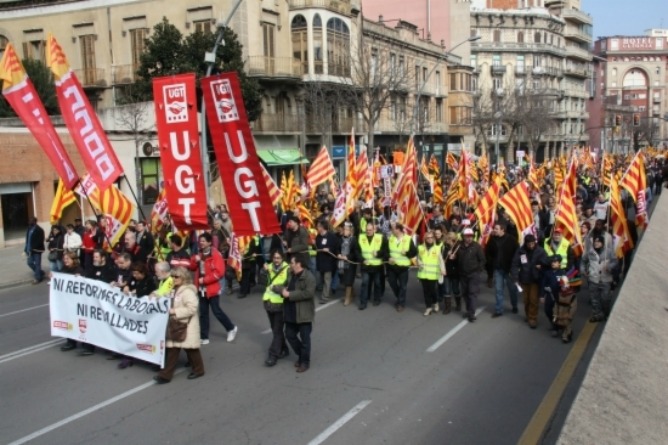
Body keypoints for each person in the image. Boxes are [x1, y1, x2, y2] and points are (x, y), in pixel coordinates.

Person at [154, 267, 205, 384]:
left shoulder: (187, 291)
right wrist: (154, 295)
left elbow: (192, 308)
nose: (173, 279)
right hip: (176, 324)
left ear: (184, 278)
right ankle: (165, 375)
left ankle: (198, 370)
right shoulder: (173, 289)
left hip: (187, 325)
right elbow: (162, 293)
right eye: (172, 276)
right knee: (173, 349)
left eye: (176, 277)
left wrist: (174, 312)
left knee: (191, 349)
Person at [190, 232, 238, 344]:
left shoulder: (216, 254)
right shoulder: (199, 254)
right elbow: (192, 268)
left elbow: (219, 272)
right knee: (203, 312)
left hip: (212, 288)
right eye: (200, 241)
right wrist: (194, 260)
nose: (201, 243)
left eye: (203, 241)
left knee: (216, 311)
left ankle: (231, 328)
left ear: (209, 242)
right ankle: (204, 337)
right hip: (201, 289)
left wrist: (205, 280)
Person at [280, 255, 317, 373]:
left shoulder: (309, 277)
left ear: (298, 264)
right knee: (289, 335)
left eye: (292, 263)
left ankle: (305, 362)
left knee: (305, 339)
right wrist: (281, 290)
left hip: (304, 314)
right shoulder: (291, 275)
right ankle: (302, 355)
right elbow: (285, 286)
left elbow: (308, 293)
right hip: (291, 312)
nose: (290, 265)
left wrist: (290, 295)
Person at [510, 234, 547, 329]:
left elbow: (546, 262)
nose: (531, 245)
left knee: (533, 300)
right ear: (526, 243)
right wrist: (515, 277)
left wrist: (541, 265)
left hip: (535, 279)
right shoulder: (520, 251)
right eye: (529, 244)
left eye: (532, 243)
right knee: (526, 300)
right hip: (524, 279)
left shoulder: (540, 251)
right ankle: (528, 315)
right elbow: (515, 264)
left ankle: (533, 318)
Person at [262, 250, 290, 367]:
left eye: (278, 258)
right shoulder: (268, 266)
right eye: (274, 258)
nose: (276, 260)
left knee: (278, 329)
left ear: (282, 258)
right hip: (268, 302)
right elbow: (264, 282)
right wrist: (264, 271)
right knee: (274, 328)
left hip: (280, 303)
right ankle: (284, 349)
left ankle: (273, 355)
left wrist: (278, 288)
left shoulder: (288, 268)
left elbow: (289, 285)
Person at [487, 222, 520, 317]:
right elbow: (488, 252)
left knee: (512, 290)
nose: (494, 230)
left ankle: (514, 306)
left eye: (496, 228)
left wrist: (515, 267)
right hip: (498, 269)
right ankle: (498, 310)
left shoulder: (512, 240)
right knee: (498, 290)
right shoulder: (492, 239)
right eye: (494, 228)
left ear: (502, 230)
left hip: (509, 270)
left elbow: (517, 253)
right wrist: (491, 262)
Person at [583, 235, 617, 323]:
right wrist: (584, 270)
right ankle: (596, 314)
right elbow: (583, 262)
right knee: (594, 300)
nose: (596, 243)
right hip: (593, 280)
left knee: (605, 299)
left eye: (598, 242)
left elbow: (615, 262)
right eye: (595, 241)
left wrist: (609, 267)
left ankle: (606, 314)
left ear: (602, 243)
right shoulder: (590, 252)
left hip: (605, 280)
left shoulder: (608, 252)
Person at [454, 228, 485, 322]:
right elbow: (456, 258)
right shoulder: (459, 246)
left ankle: (472, 313)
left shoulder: (476, 246)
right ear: (463, 237)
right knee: (465, 293)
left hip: (473, 274)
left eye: (471, 236)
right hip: (463, 274)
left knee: (472, 293)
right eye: (467, 236)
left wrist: (478, 270)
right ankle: (468, 310)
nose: (469, 238)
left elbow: (482, 260)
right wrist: (453, 257)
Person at [386, 223, 417, 312]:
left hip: (403, 267)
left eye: (393, 229)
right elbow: (386, 251)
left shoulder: (408, 239)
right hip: (392, 266)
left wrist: (406, 253)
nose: (391, 231)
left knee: (403, 286)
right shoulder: (390, 238)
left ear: (398, 230)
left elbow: (414, 252)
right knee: (392, 283)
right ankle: (400, 297)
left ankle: (401, 303)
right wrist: (388, 257)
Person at [357, 221, 388, 310]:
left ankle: (377, 299)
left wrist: (378, 253)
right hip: (365, 265)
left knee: (377, 283)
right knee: (365, 283)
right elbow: (357, 251)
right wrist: (362, 260)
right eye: (367, 230)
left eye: (370, 230)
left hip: (377, 265)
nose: (368, 232)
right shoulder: (360, 237)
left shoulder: (380, 237)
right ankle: (363, 302)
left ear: (374, 229)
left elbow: (385, 250)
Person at [58, 252, 85, 352]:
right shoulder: (64, 270)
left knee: (80, 322)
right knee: (69, 321)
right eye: (64, 259)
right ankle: (71, 341)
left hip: (77, 302)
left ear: (73, 260)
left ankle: (85, 342)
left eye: (68, 259)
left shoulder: (79, 270)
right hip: (67, 302)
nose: (65, 261)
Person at [314, 220, 340, 304]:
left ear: (322, 227)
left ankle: (325, 297)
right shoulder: (318, 237)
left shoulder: (332, 237)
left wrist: (329, 249)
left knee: (327, 279)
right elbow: (317, 248)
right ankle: (327, 290)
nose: (317, 228)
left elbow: (336, 247)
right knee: (321, 278)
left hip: (329, 261)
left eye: (318, 226)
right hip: (320, 261)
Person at [417, 231, 442, 316]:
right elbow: (418, 258)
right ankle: (428, 308)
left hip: (433, 274)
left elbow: (441, 260)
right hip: (423, 273)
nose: (430, 239)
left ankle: (435, 302)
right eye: (428, 238)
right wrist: (418, 262)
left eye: (432, 237)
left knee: (432, 290)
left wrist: (443, 270)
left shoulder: (437, 248)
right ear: (425, 239)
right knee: (425, 291)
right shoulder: (420, 248)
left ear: (434, 239)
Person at [337, 222, 360, 306]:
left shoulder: (354, 240)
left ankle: (347, 298)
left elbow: (356, 252)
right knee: (342, 279)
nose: (345, 231)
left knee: (349, 280)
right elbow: (337, 248)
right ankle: (352, 293)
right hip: (341, 262)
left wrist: (348, 257)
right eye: (344, 229)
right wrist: (338, 254)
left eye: (347, 229)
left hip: (350, 263)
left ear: (351, 231)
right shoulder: (340, 239)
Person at [443, 232, 461, 313]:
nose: (447, 240)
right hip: (446, 271)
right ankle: (448, 307)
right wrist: (445, 256)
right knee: (447, 290)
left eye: (449, 239)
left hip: (455, 272)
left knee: (455, 289)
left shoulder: (458, 247)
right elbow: (441, 258)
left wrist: (455, 257)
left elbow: (461, 259)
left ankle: (458, 304)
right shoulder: (444, 247)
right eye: (447, 238)